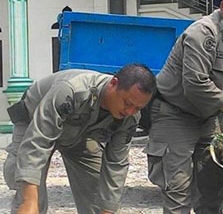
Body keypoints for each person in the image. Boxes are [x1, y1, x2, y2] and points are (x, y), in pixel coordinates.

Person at [146, 0, 223, 214]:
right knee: (178, 191)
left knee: (211, 190)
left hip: (209, 119)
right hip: (175, 115)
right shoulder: (202, 33)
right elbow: (195, 84)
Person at [3, 64, 156, 214]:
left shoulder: (130, 117)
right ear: (113, 84)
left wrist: (107, 210)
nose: (130, 111)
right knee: (30, 194)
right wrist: (29, 201)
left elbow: (116, 164)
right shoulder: (71, 90)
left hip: (80, 136)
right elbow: (37, 141)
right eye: (127, 103)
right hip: (35, 124)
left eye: (137, 108)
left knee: (99, 200)